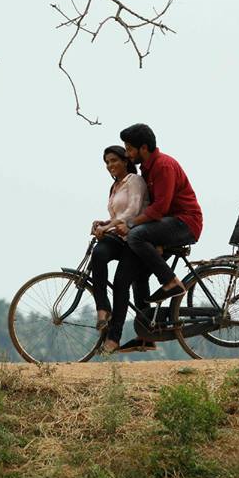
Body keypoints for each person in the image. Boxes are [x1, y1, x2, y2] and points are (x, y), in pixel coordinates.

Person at [103, 123, 203, 352]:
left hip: (185, 223)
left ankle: (171, 282)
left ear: (143, 148)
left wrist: (128, 223)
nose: (126, 153)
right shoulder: (148, 167)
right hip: (166, 225)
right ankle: (147, 335)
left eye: (129, 149)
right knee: (139, 273)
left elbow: (159, 209)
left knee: (136, 236)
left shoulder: (163, 165)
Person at [89, 146, 147, 341]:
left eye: (114, 160)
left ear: (125, 161)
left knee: (121, 283)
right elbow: (117, 217)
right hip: (119, 237)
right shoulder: (114, 187)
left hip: (136, 239)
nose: (110, 165)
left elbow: (132, 210)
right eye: (106, 162)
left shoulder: (135, 181)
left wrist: (108, 227)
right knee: (98, 254)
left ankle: (114, 338)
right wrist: (104, 224)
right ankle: (103, 309)